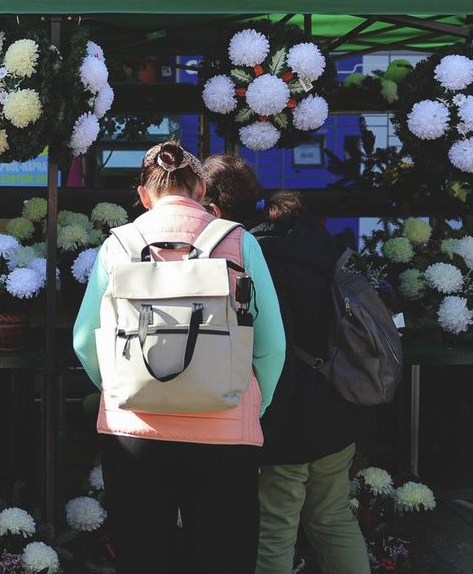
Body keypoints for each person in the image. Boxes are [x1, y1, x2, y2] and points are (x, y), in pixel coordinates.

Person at [72, 141, 285, 574]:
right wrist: (253, 402)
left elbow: (83, 339)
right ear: (202, 187)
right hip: (226, 428)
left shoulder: (118, 246)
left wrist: (119, 389)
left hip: (136, 429)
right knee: (224, 557)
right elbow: (271, 343)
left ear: (145, 194)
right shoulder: (239, 243)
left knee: (143, 555)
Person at [202, 155, 372, 574]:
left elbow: (265, 347)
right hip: (335, 403)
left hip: (288, 417)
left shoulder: (253, 256)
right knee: (333, 519)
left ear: (215, 209)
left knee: (275, 530)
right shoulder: (309, 237)